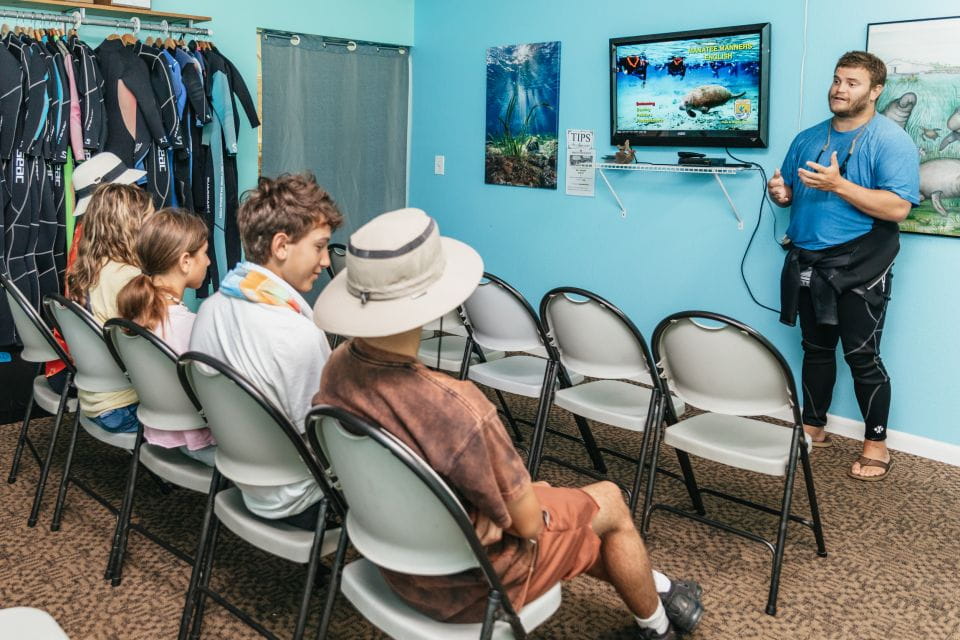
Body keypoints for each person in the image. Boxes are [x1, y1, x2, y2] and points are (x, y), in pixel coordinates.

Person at [313, 208, 704, 640]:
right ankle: (659, 627)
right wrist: (494, 515)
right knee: (607, 501)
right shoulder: (458, 407)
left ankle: (663, 590)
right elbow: (529, 527)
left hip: (394, 562)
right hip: (475, 584)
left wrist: (483, 509)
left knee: (558, 502)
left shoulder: (335, 369)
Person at [767, 50, 919, 481]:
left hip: (861, 263)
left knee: (861, 355)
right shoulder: (807, 137)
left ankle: (876, 443)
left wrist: (839, 185)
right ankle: (814, 425)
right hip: (809, 262)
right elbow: (793, 194)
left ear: (875, 91)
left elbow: (897, 208)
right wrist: (782, 194)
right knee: (815, 350)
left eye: (852, 82)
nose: (839, 89)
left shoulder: (890, 140)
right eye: (836, 79)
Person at [189, 173, 343, 528]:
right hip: (302, 498)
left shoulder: (211, 308)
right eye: (319, 247)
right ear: (281, 246)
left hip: (239, 475)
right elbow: (326, 440)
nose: (325, 262)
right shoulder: (298, 335)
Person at [116, 209, 215, 465]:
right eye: (204, 253)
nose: (209, 262)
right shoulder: (191, 327)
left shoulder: (136, 315)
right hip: (199, 442)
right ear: (185, 261)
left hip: (158, 432)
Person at [65, 182, 155, 434]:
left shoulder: (88, 269)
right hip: (124, 408)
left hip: (96, 401)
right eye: (149, 221)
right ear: (129, 227)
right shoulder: (129, 279)